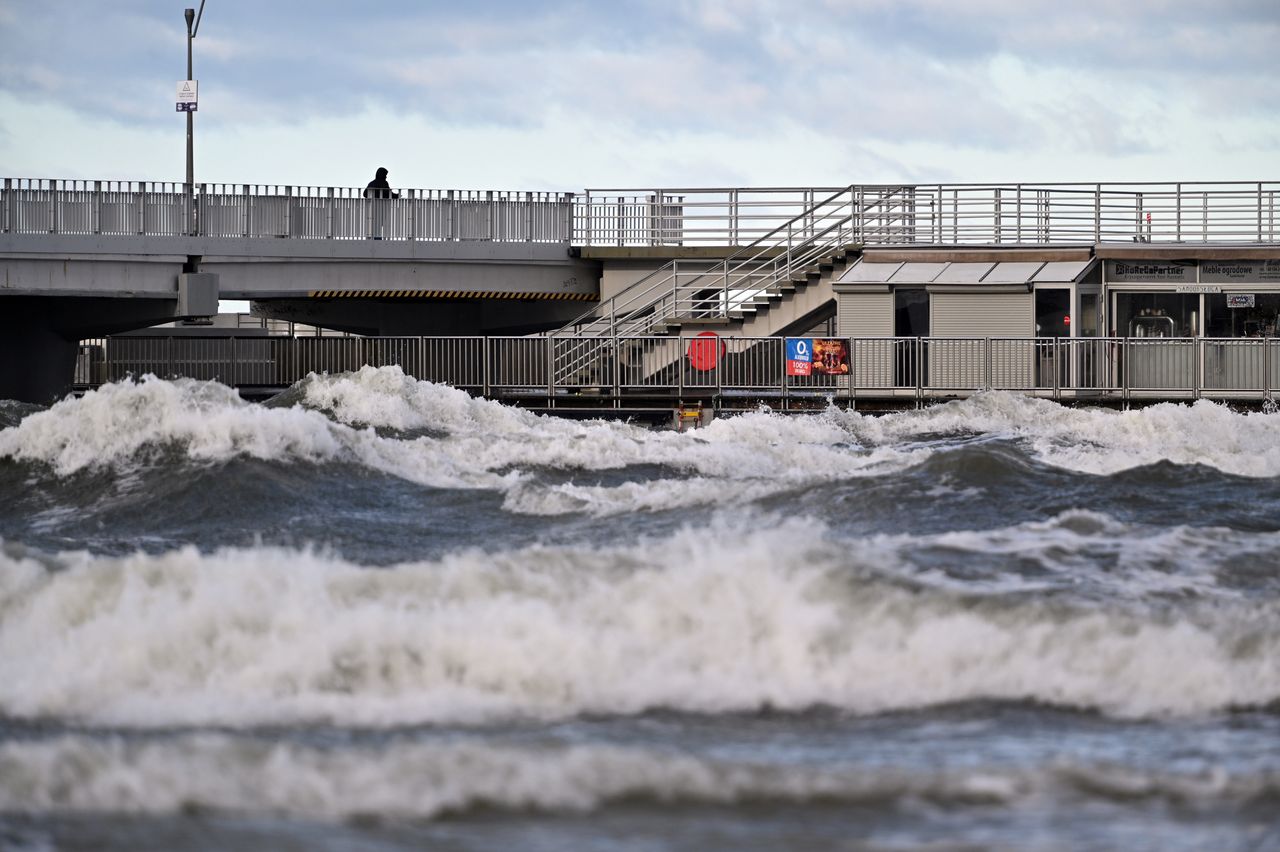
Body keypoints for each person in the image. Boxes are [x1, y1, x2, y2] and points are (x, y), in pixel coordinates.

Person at [364, 167, 399, 239]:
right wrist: (397, 196)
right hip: (382, 207)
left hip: (372, 207)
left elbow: (364, 194)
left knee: (373, 223)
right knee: (379, 224)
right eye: (385, 175)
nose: (386, 177)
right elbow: (389, 194)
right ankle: (377, 238)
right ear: (382, 175)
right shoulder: (384, 183)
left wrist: (372, 197)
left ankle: (372, 237)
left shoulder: (371, 183)